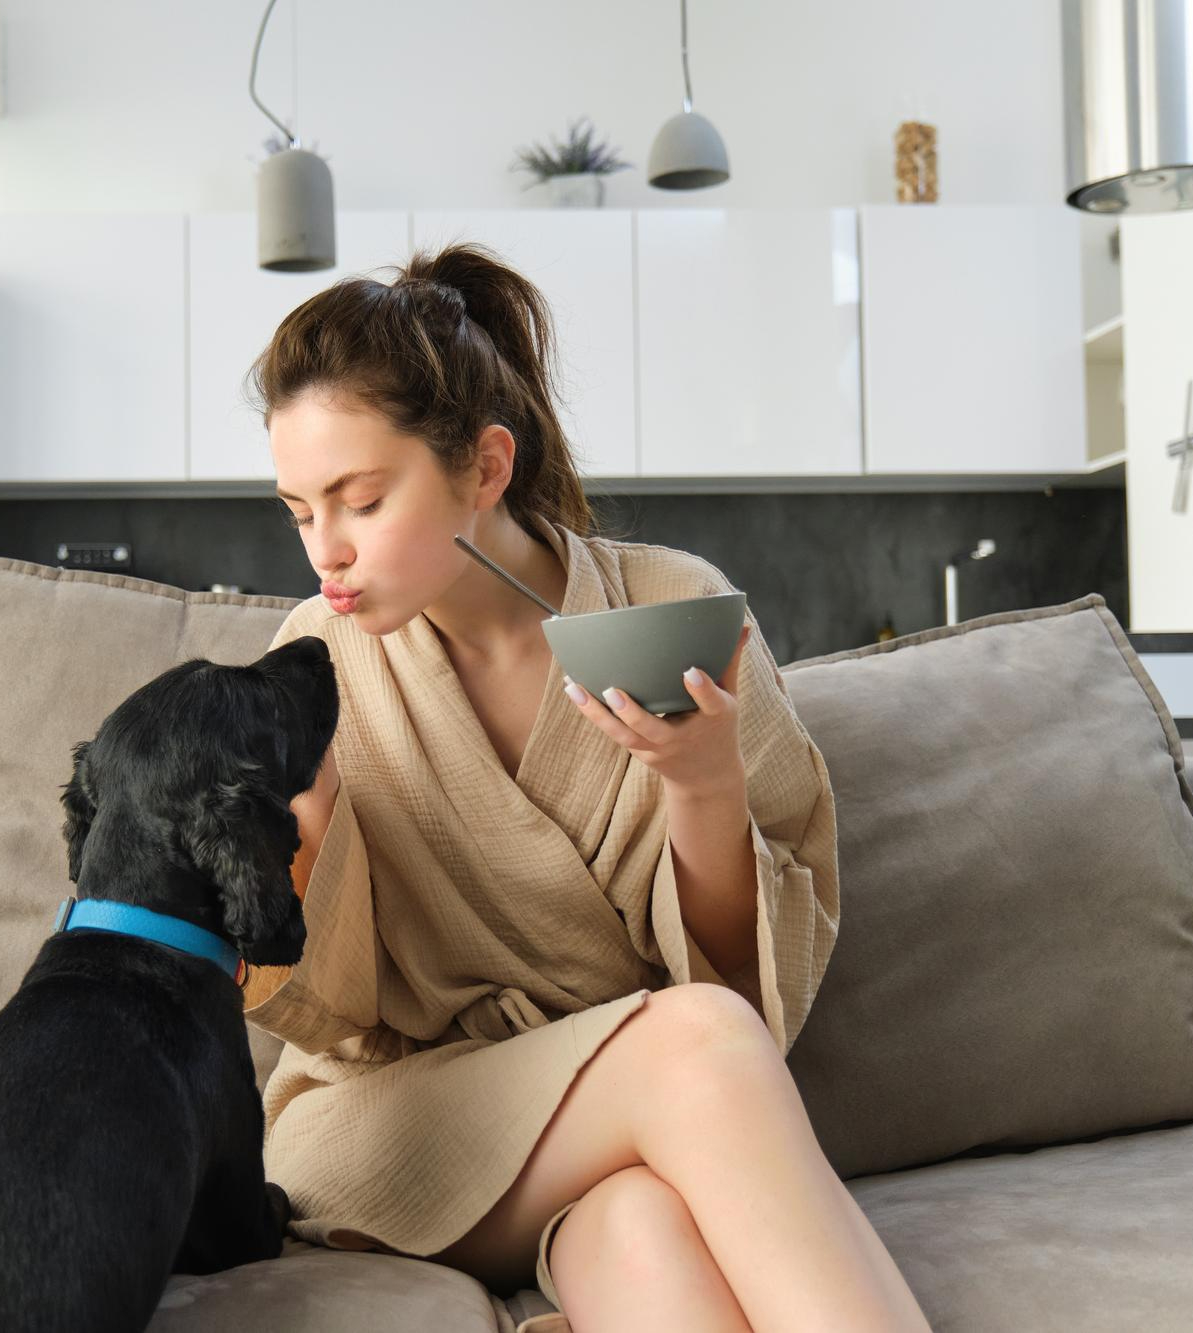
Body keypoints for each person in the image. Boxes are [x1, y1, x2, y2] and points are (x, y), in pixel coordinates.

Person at [236, 240, 930, 1333]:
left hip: (623, 1118)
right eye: (296, 510)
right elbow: (329, 1014)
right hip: (394, 1129)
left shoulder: (669, 608)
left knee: (640, 1227)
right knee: (692, 1039)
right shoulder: (314, 662)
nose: (324, 551)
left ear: (484, 467)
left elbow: (745, 988)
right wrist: (302, 833)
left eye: (359, 500)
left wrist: (701, 785)